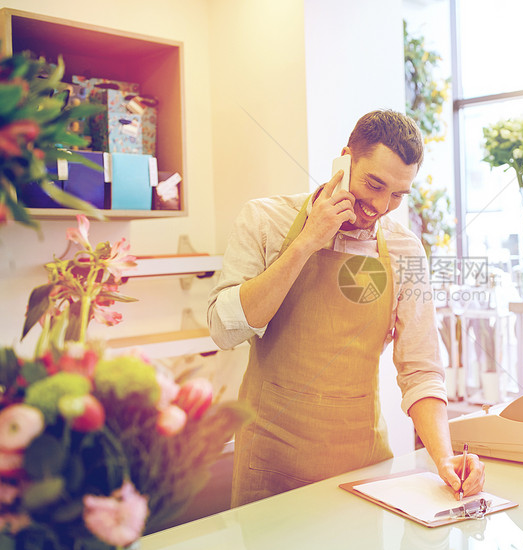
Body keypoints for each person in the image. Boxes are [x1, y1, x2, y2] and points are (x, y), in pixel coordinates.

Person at [208, 109, 485, 507]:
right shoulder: (265, 220)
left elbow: (420, 370)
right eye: (373, 184)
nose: (379, 204)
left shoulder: (405, 250)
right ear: (344, 160)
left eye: (397, 195)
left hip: (363, 471)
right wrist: (306, 242)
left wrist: (445, 459)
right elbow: (224, 329)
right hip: (270, 469)